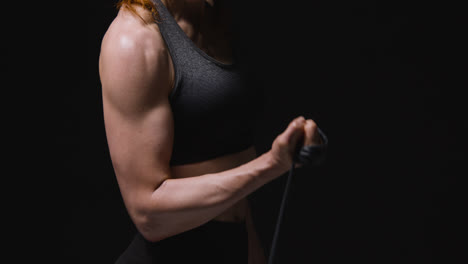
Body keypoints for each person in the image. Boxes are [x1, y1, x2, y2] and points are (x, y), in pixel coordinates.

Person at [99, 0, 322, 263]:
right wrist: (272, 164)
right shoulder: (133, 42)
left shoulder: (214, 20)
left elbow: (236, 200)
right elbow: (150, 216)